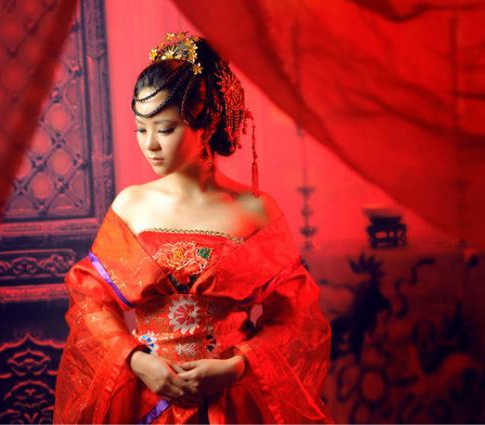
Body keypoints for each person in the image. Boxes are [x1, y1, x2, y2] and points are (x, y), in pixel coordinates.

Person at [53, 32, 333, 424]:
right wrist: (138, 361)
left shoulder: (255, 209)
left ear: (207, 126)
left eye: (165, 129)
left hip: (232, 397)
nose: (150, 144)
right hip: (146, 392)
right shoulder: (130, 206)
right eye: (141, 128)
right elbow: (90, 302)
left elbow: (296, 315)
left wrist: (236, 365)